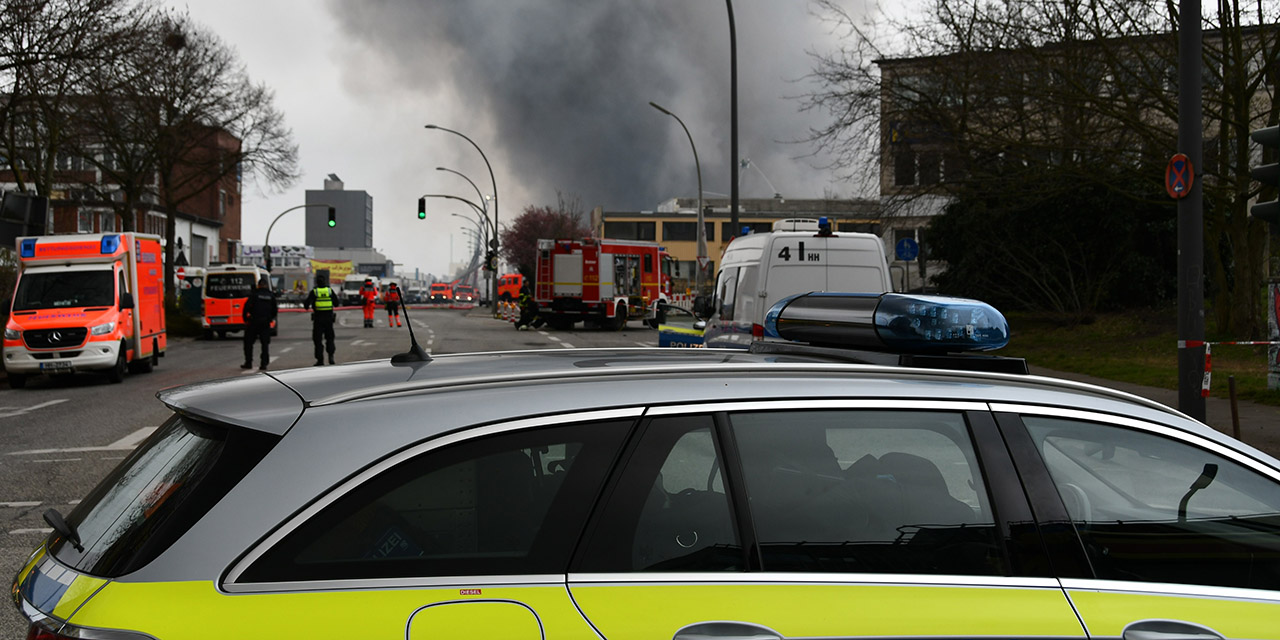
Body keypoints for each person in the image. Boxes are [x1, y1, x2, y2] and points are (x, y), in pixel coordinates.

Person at [241, 276, 278, 371]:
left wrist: (246, 319)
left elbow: (246, 307)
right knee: (265, 344)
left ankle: (248, 362)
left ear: (258, 285)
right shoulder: (270, 295)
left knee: (248, 343)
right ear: (266, 285)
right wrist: (270, 318)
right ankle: (264, 364)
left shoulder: (254, 294)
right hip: (265, 322)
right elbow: (275, 310)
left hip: (253, 322)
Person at [304, 273, 337, 366]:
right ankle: (331, 357)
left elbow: (306, 305)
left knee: (317, 340)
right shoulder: (329, 291)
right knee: (330, 338)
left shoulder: (314, 292)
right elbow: (337, 303)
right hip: (329, 319)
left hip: (318, 319)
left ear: (316, 283)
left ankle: (320, 360)